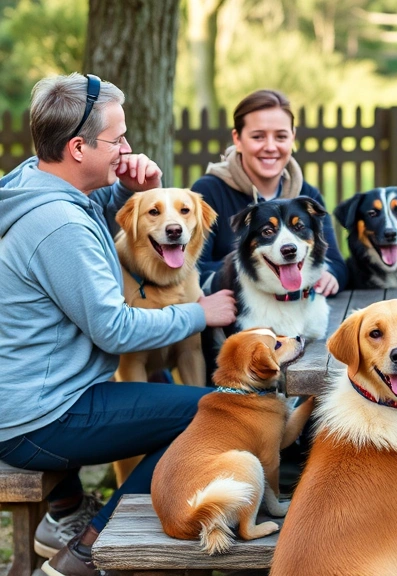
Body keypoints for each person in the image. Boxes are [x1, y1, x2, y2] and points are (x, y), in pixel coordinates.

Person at [0, 73, 237, 576]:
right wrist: (200, 312)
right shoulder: (58, 227)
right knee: (211, 412)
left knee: (175, 401)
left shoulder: (33, 184)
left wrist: (135, 192)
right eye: (118, 138)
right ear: (79, 147)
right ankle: (89, 551)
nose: (128, 147)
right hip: (41, 418)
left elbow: (84, 212)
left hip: (28, 399)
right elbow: (116, 331)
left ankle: (63, 513)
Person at [191, 89, 347, 296]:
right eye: (258, 137)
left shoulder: (307, 194)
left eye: (281, 136)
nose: (271, 147)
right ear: (237, 139)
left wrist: (330, 274)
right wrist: (249, 274)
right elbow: (193, 267)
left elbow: (335, 262)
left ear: (293, 137)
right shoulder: (208, 191)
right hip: (234, 310)